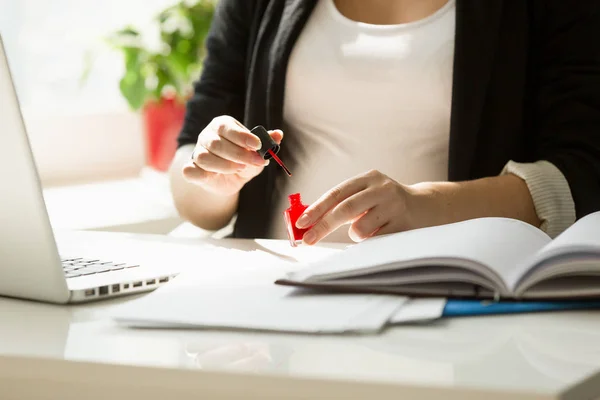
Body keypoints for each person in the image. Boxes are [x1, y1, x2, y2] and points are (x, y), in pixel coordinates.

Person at [169, 0, 600, 245]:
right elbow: (190, 173)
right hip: (273, 294)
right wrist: (214, 177)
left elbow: (584, 171)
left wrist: (427, 204)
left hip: (450, 304)